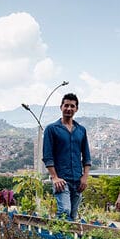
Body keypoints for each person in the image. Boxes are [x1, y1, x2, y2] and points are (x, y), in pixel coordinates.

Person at [42, 93, 92, 221]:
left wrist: (85, 177)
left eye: (72, 106)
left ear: (76, 109)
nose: (69, 108)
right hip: (61, 180)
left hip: (77, 181)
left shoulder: (81, 130)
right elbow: (47, 156)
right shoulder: (52, 129)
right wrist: (54, 177)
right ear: (61, 107)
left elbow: (86, 156)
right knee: (64, 211)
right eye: (66, 105)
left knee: (73, 216)